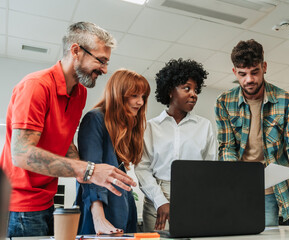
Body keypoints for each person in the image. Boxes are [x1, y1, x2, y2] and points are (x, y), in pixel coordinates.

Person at [0, 22, 136, 238]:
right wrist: (89, 170)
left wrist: (92, 174)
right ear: (76, 51)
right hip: (20, 206)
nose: (104, 69)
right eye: (100, 60)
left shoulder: (79, 93)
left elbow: (64, 144)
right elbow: (21, 154)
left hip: (48, 200)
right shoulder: (36, 86)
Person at [214, 39, 289, 226]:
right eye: (243, 74)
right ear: (234, 72)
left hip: (276, 192)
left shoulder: (285, 100)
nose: (249, 80)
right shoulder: (224, 102)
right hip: (240, 190)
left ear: (264, 67)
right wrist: (232, 177)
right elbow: (227, 147)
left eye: (255, 72)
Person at [135, 58, 217, 232]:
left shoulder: (205, 126)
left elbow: (210, 170)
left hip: (193, 199)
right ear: (171, 91)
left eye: (195, 90)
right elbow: (142, 168)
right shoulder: (150, 127)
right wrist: (160, 201)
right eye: (187, 88)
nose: (193, 94)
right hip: (157, 199)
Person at [75, 69, 150, 235]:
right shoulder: (95, 119)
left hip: (123, 206)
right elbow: (90, 174)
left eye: (143, 97)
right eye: (135, 95)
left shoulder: (125, 127)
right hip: (101, 210)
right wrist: (99, 217)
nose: (140, 102)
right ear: (119, 94)